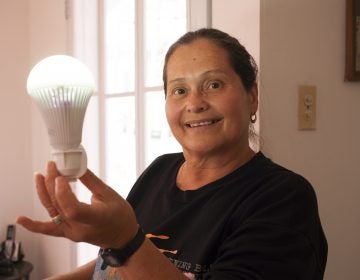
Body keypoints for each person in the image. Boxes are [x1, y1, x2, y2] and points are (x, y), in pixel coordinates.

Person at [17, 28, 327, 280]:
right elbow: (113, 265)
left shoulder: (283, 199)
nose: (195, 103)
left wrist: (125, 241)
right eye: (179, 90)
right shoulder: (160, 170)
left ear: (252, 96)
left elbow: (130, 249)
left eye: (214, 84)